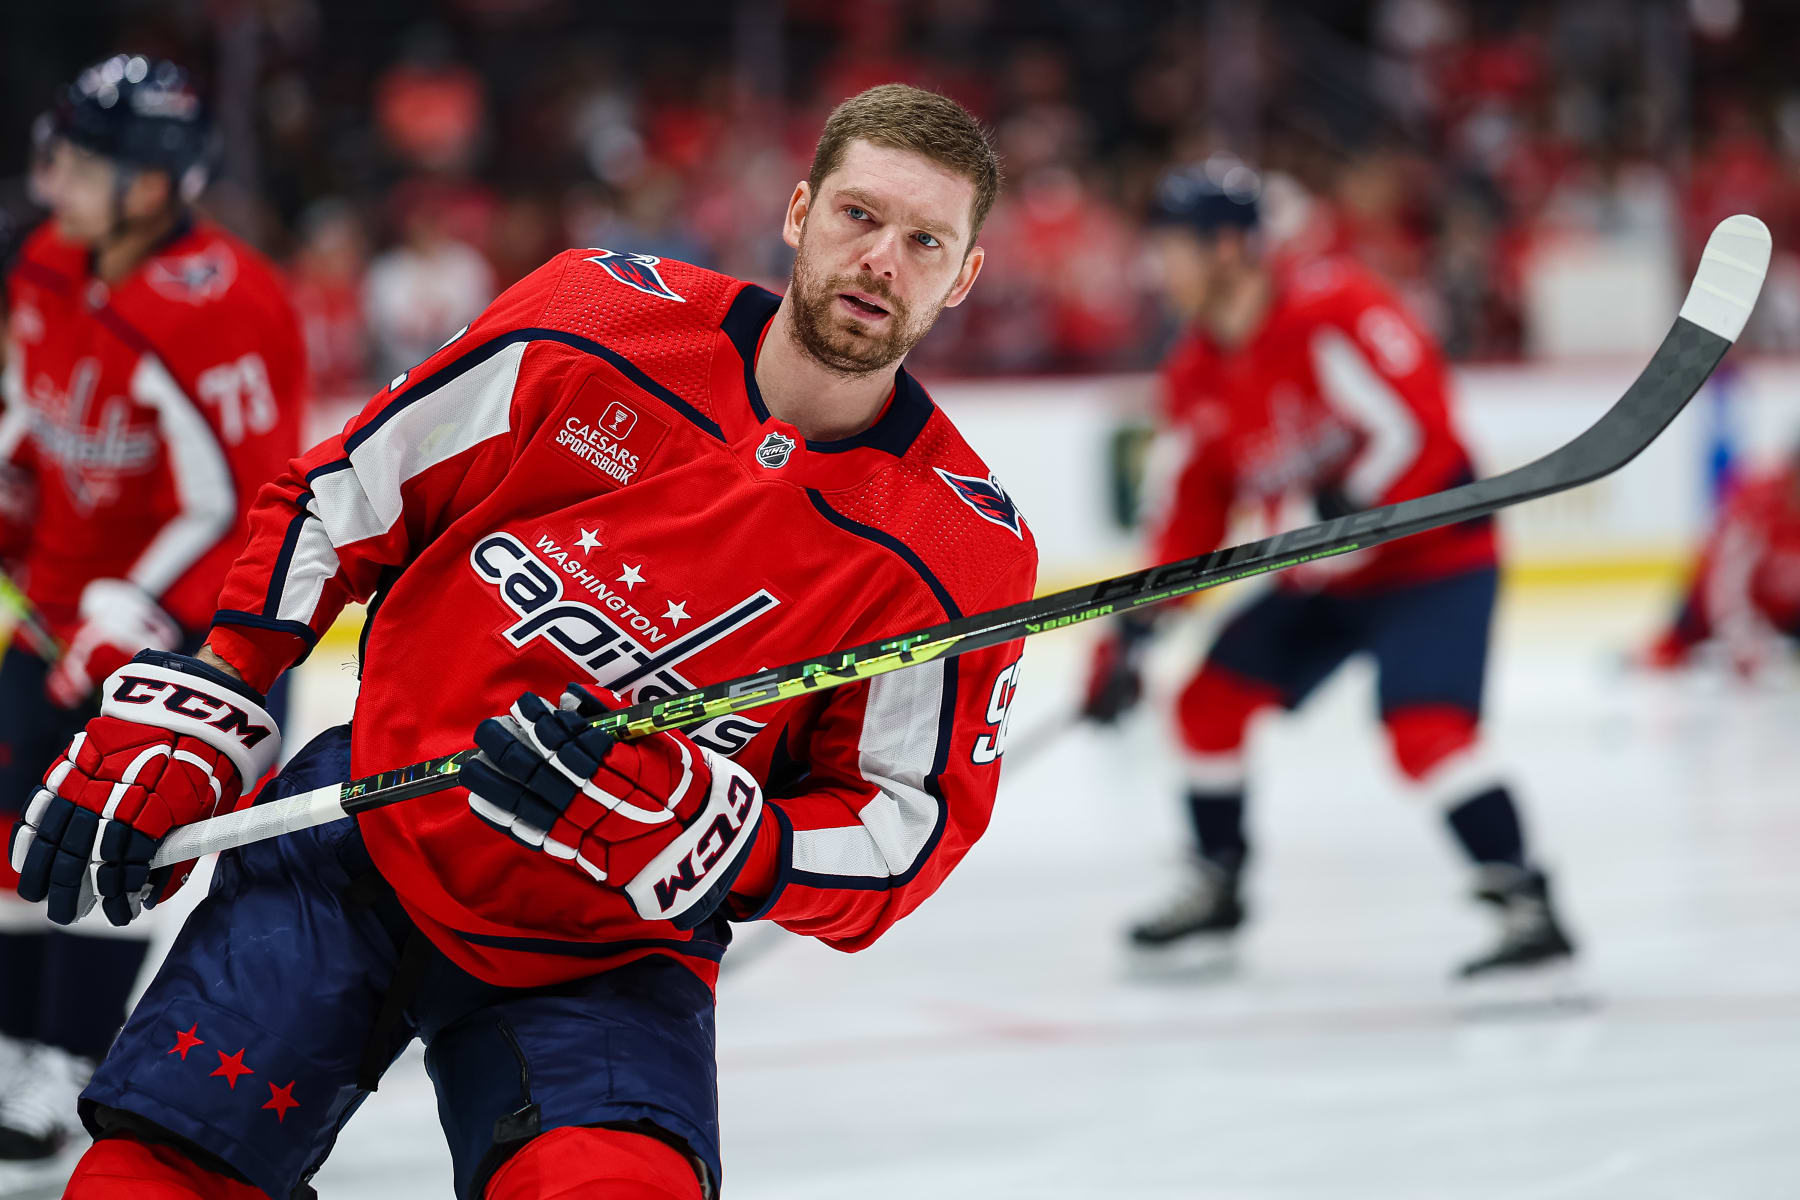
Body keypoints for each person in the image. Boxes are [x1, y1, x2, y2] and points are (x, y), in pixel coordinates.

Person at [9, 83, 1037, 1200]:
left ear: (964, 275)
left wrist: (725, 837)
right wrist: (220, 686)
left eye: (925, 241)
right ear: (800, 213)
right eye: (859, 216)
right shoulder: (593, 318)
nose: (881, 260)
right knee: (142, 1183)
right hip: (366, 828)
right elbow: (347, 496)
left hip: (609, 944)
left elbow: (900, 829)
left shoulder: (956, 549)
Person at [1084, 158, 1573, 980]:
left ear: (1228, 246)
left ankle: (1525, 900)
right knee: (1208, 703)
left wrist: (1342, 509)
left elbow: (1421, 432)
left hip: (1432, 560)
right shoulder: (1196, 372)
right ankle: (1217, 884)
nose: (1159, 268)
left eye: (1173, 248)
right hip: (1327, 574)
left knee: (1426, 734)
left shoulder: (1334, 308)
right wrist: (1133, 630)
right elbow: (1190, 518)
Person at [0, 55, 306, 1167]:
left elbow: (254, 501)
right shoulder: (45, 261)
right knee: (14, 831)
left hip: (173, 633)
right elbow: (37, 414)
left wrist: (143, 607)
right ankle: (13, 1042)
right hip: (54, 608)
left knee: (108, 834)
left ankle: (67, 1054)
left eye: (86, 165)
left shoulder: (227, 304)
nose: (57, 182)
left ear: (152, 184)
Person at [1640, 444, 1800, 678]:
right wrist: (1743, 641)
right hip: (1712, 604)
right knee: (1667, 654)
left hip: (1783, 614)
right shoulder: (1757, 504)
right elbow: (1727, 584)